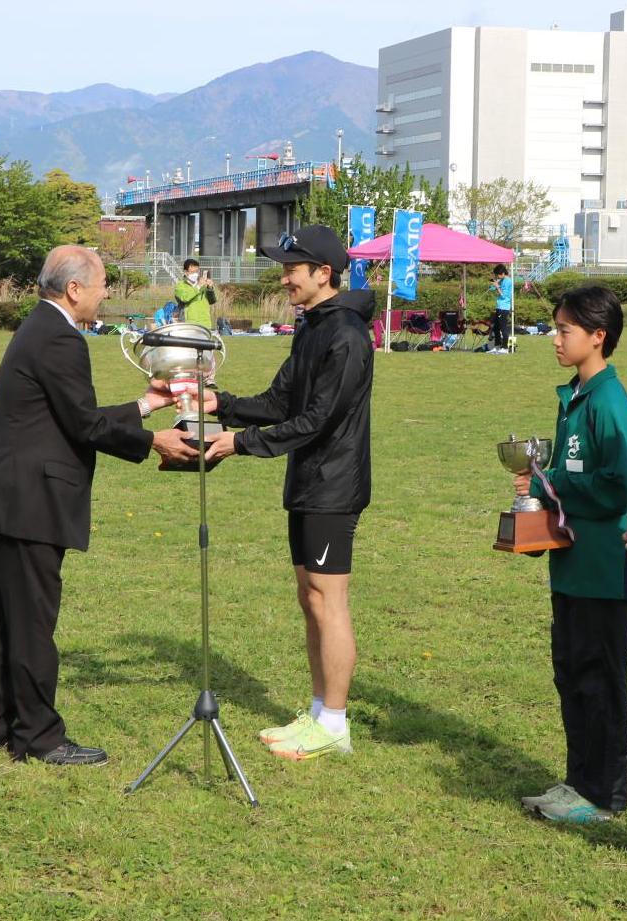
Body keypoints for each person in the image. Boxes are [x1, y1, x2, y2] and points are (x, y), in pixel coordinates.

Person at [0, 245, 198, 765]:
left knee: (0, 617)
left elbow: (70, 416)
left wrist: (145, 403)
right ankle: (39, 738)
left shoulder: (37, 329)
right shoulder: (63, 339)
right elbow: (86, 426)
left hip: (4, 493)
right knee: (31, 624)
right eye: (102, 284)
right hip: (32, 502)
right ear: (74, 289)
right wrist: (154, 440)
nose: (106, 293)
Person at [192, 226, 375, 759]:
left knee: (329, 599)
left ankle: (335, 723)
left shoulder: (346, 335)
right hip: (306, 480)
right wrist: (218, 404)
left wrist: (238, 444)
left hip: (334, 485)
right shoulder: (312, 327)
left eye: (293, 268)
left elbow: (318, 420)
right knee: (309, 597)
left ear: (324, 273)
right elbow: (280, 402)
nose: (285, 277)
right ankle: (318, 710)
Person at [513, 286, 627, 824]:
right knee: (570, 673)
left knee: (601, 679)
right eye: (555, 327)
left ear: (598, 336)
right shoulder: (574, 397)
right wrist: (540, 488)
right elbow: (571, 478)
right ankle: (577, 782)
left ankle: (605, 796)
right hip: (571, 566)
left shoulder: (610, 402)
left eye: (565, 329)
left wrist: (561, 488)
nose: (555, 337)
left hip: (606, 568)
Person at [175, 259, 217, 328]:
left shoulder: (203, 284)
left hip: (205, 323)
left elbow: (212, 301)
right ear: (185, 272)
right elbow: (184, 298)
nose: (195, 274)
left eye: (197, 271)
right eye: (192, 272)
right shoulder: (180, 285)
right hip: (188, 323)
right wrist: (198, 287)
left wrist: (210, 288)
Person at [489, 263, 513, 354]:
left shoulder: (508, 281)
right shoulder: (501, 280)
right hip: (499, 307)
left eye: (498, 275)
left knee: (503, 328)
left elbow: (504, 296)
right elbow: (491, 289)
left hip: (504, 307)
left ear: (503, 273)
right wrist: (494, 284)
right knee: (496, 328)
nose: (497, 276)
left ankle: (505, 348)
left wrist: (498, 287)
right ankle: (497, 346)